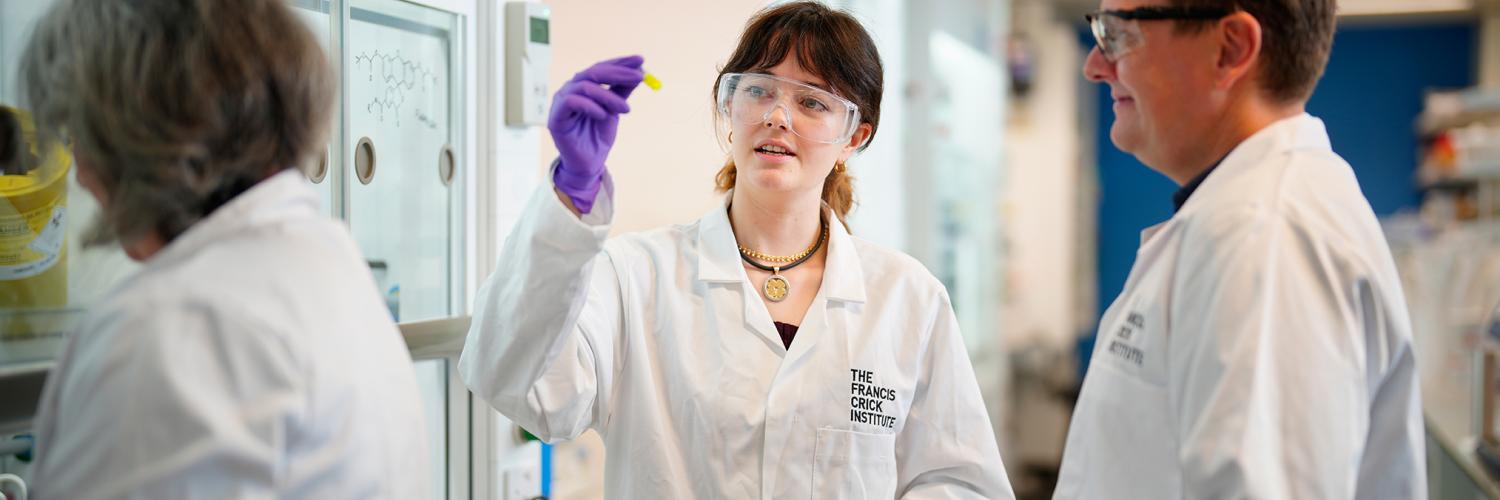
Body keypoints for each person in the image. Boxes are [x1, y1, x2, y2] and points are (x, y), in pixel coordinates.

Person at [458, 2, 1014, 498]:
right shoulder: (635, 276)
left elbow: (959, 480)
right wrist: (570, 196)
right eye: (758, 90)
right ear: (730, 107)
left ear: (855, 137)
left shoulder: (907, 297)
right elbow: (516, 383)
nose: (777, 114)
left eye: (812, 102)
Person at [20, 0, 429, 497]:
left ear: (137, 133)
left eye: (78, 134)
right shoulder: (332, 269)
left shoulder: (173, 331)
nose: (79, 173)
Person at [1055, 0, 1424, 498]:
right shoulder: (1252, 215)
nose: (1094, 65)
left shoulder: (1265, 235)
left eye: (1117, 35)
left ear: (1229, 49)